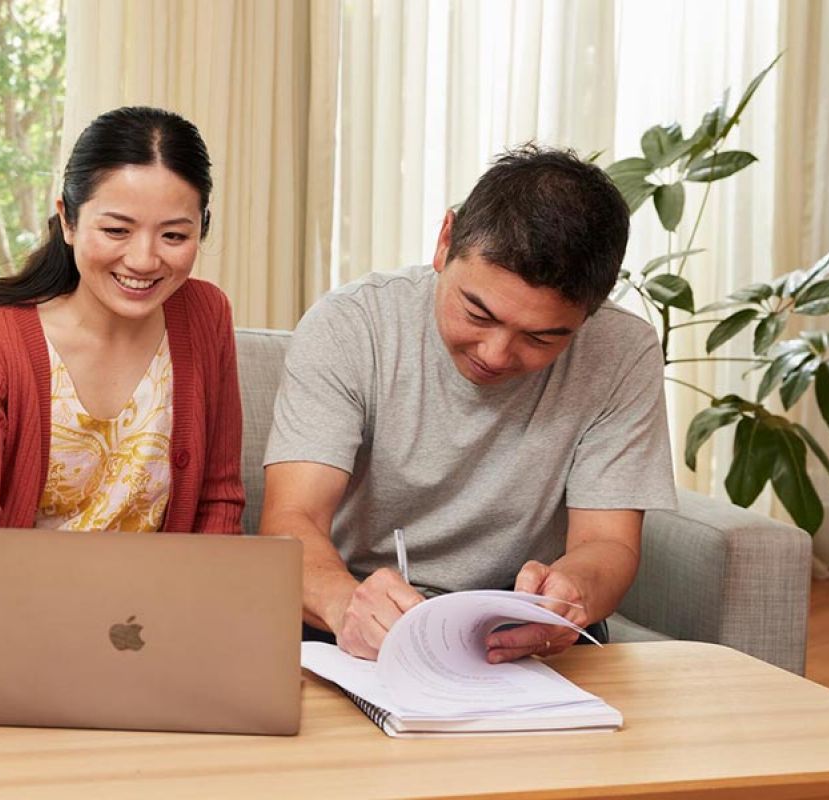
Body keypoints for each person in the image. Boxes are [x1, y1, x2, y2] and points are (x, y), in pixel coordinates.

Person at [260, 143, 677, 663]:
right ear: (445, 241)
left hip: (520, 628)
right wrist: (345, 604)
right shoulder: (352, 325)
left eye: (542, 338)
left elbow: (609, 545)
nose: (496, 355)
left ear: (591, 311)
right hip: (352, 615)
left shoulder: (622, 351)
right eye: (477, 314)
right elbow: (290, 522)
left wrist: (571, 594)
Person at [0, 106, 244, 672]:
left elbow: (219, 497)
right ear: (67, 221)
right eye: (116, 230)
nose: (144, 260)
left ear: (201, 231)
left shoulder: (205, 315)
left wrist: (196, 618)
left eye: (174, 235)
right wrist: (41, 638)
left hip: (139, 621)